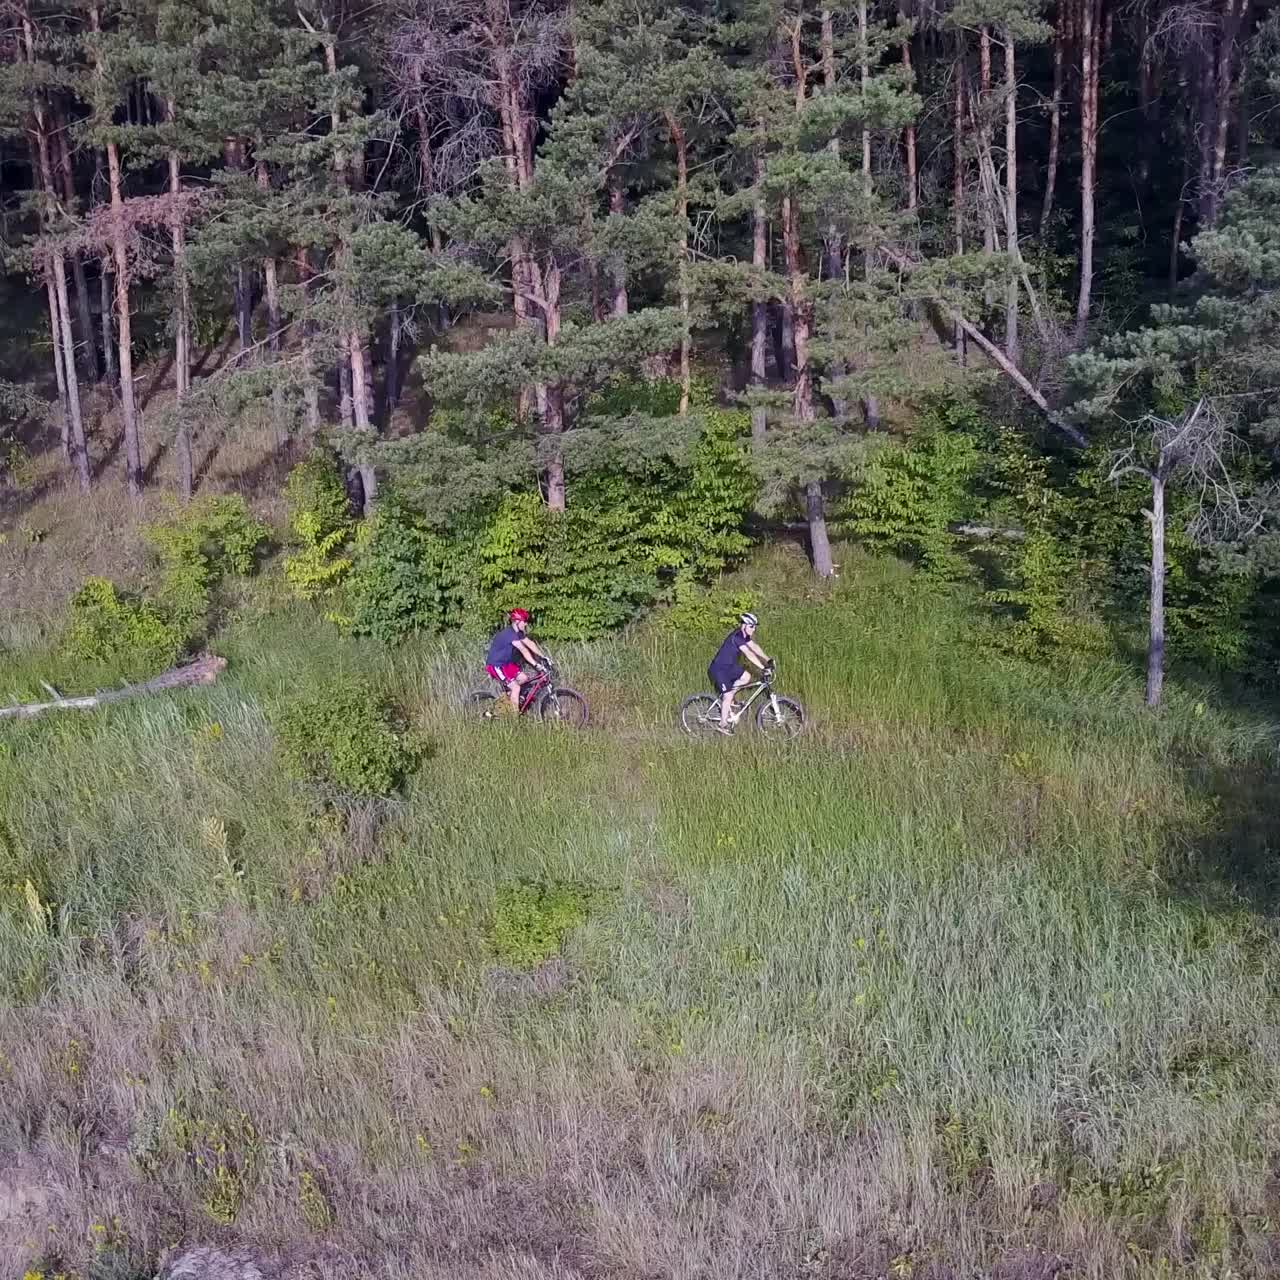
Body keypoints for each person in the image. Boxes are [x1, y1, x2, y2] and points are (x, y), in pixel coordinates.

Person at [708, 612, 772, 734]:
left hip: (730, 667)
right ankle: (723, 724)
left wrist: (768, 659)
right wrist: (763, 668)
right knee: (727, 696)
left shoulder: (744, 636)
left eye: (754, 627)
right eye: (752, 626)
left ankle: (730, 698)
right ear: (744, 626)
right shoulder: (737, 637)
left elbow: (754, 647)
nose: (754, 629)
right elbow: (749, 654)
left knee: (746, 676)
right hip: (720, 669)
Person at [486, 607, 548, 714]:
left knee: (524, 678)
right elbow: (523, 650)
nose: (526, 624)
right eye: (524, 621)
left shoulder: (518, 632)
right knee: (515, 687)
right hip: (496, 665)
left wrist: (544, 657)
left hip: (507, 664)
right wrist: (536, 664)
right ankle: (514, 719)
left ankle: (509, 700)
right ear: (517, 621)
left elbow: (530, 644)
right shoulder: (509, 634)